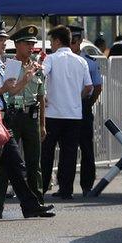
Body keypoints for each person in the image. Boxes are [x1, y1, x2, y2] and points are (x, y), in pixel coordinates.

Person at [0, 22, 55, 219]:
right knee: (2, 166)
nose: (3, 43)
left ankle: (27, 205)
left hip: (4, 118)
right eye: (0, 40)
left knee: (16, 166)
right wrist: (4, 90)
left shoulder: (2, 65)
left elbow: (11, 92)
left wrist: (24, 81)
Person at [0, 25, 47, 216]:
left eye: (33, 44)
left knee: (34, 162)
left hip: (31, 116)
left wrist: (42, 124)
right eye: (27, 44)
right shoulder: (9, 66)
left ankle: (36, 204)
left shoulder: (37, 68)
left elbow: (41, 97)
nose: (31, 47)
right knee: (7, 164)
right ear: (17, 44)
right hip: (13, 116)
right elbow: (7, 93)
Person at [40, 25, 93, 199]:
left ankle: (43, 185)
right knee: (69, 153)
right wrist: (77, 97)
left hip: (53, 113)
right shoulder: (81, 61)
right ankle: (66, 189)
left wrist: (44, 95)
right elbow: (89, 87)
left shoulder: (51, 59)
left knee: (47, 151)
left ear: (56, 41)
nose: (51, 45)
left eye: (51, 41)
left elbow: (41, 75)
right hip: (74, 114)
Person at [69, 25, 103, 196]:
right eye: (68, 42)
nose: (71, 45)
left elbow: (97, 87)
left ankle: (87, 185)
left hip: (82, 106)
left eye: (74, 42)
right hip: (64, 107)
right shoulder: (59, 60)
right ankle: (65, 185)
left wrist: (88, 103)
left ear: (80, 41)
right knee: (68, 148)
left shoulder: (89, 62)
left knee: (86, 148)